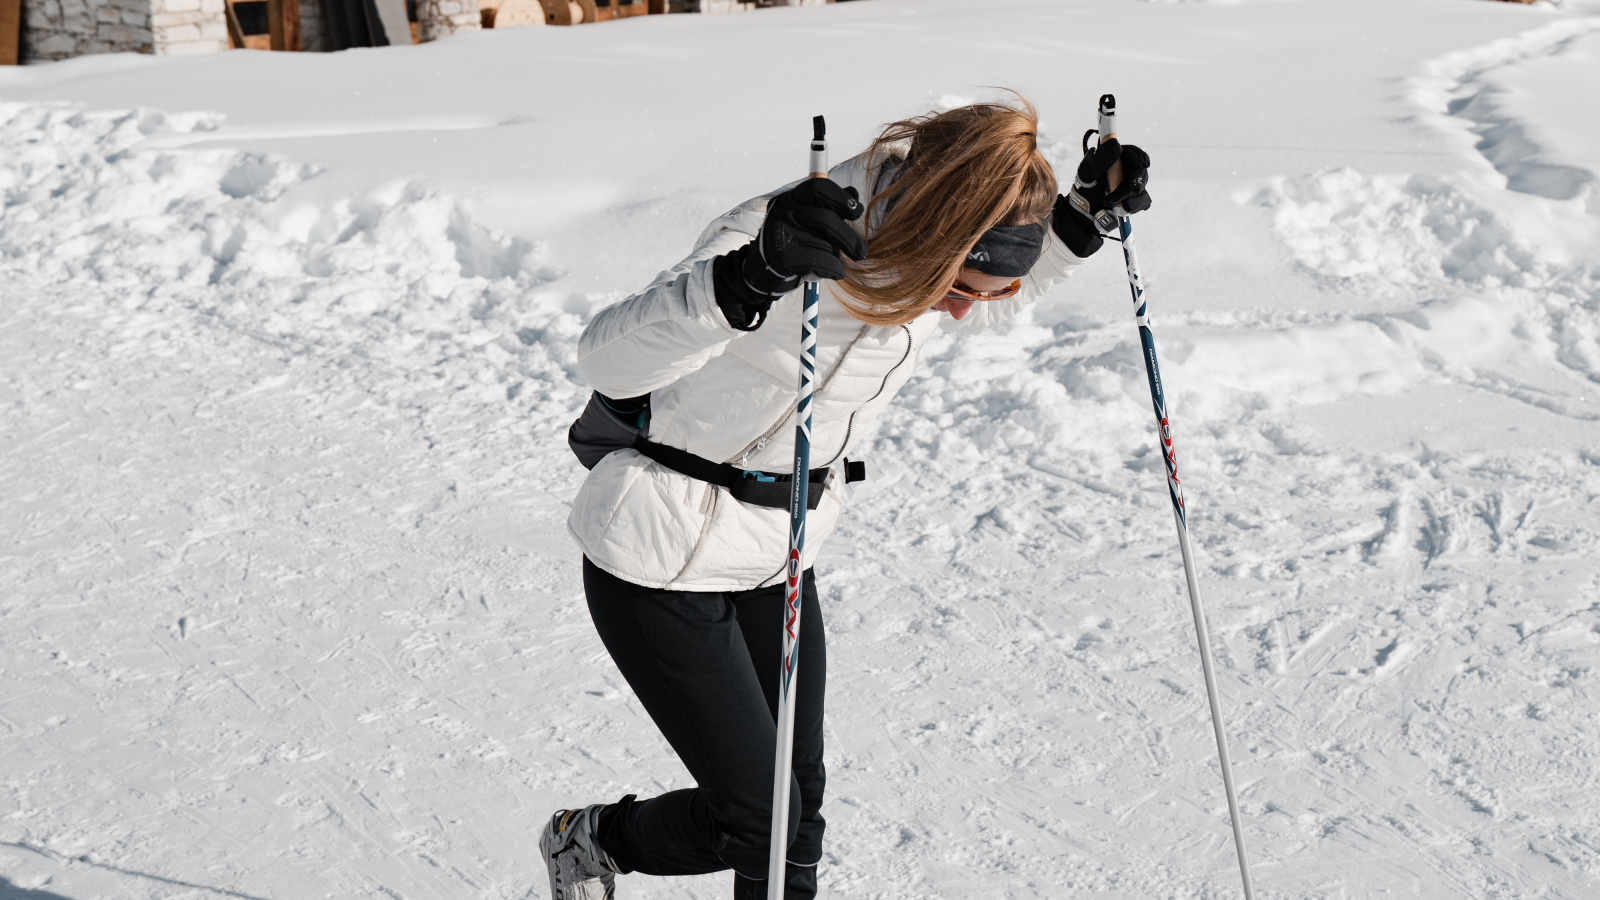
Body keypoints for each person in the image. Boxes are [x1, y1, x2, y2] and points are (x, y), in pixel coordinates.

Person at [541, 96, 1152, 900]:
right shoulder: (781, 233)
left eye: (988, 293)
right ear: (936, 240)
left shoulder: (934, 263)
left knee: (800, 817)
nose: (968, 310)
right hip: (656, 556)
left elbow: (1006, 275)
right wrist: (748, 274)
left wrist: (1079, 222)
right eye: (965, 287)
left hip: (781, 550)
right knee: (756, 821)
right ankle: (589, 841)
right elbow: (609, 362)